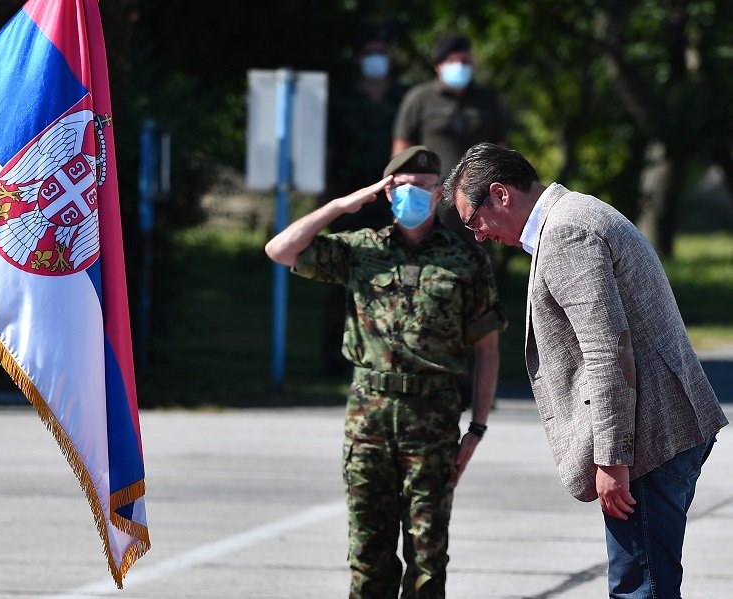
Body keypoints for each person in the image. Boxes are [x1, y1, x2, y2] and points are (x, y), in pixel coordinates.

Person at [442, 142, 729, 598]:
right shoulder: (576, 214)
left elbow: (607, 350)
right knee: (647, 582)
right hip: (662, 430)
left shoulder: (566, 232)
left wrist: (613, 458)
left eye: (473, 221)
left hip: (646, 443)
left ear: (500, 194)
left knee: (640, 588)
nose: (478, 235)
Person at [265, 146, 507, 598]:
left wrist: (477, 426)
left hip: (432, 422)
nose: (411, 195)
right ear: (386, 191)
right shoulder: (362, 251)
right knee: (368, 556)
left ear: (439, 194)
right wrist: (342, 206)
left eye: (422, 187)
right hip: (369, 422)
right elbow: (280, 250)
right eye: (400, 187)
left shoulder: (465, 259)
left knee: (428, 560)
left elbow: (488, 346)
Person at [319, 24, 410, 375]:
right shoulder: (342, 98)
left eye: (383, 52)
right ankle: (335, 360)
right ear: (359, 58)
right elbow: (327, 150)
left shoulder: (404, 97)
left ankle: (389, 355)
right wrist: (327, 200)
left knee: (396, 276)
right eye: (370, 52)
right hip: (348, 198)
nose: (378, 59)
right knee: (343, 274)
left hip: (394, 200)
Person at [392, 33, 508, 240]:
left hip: (479, 198)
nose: (459, 66)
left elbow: (501, 147)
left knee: (478, 255)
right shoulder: (419, 98)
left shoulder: (487, 100)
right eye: (452, 61)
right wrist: (404, 193)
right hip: (431, 198)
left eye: (464, 61)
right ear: (438, 66)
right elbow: (401, 151)